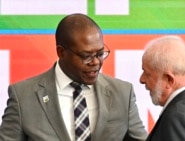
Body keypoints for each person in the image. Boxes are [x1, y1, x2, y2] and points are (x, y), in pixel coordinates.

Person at [0, 13, 147, 141]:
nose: (96, 62)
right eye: (87, 56)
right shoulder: (23, 96)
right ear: (61, 52)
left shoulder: (122, 93)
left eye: (100, 54)